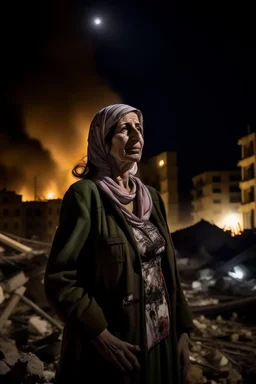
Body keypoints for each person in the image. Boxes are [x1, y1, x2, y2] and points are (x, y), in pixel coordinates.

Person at [44, 104, 193, 384]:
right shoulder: (85, 196)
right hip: (117, 350)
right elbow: (60, 279)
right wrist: (99, 335)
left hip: (161, 341)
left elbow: (167, 271)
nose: (137, 137)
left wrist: (182, 330)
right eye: (125, 129)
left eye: (139, 128)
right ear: (103, 139)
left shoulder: (152, 198)